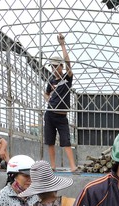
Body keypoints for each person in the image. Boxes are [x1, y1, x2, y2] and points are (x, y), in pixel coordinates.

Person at [44, 33, 77, 172]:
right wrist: (49, 99)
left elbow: (69, 64)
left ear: (61, 66)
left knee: (66, 142)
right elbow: (46, 93)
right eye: (52, 66)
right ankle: (52, 166)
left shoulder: (66, 78)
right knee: (50, 141)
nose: (54, 69)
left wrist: (62, 45)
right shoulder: (51, 81)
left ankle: (73, 166)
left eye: (57, 66)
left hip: (62, 116)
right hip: (50, 114)